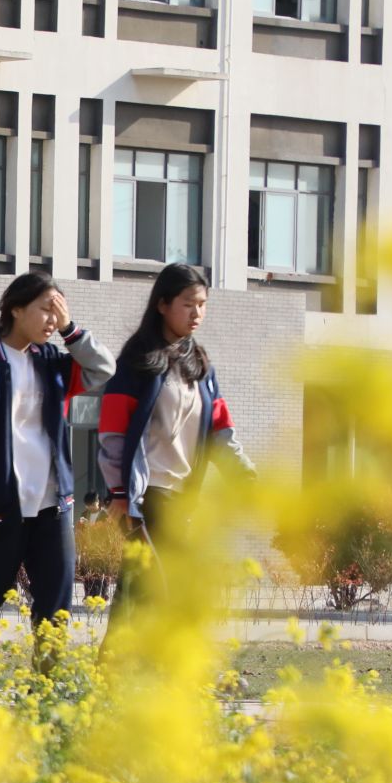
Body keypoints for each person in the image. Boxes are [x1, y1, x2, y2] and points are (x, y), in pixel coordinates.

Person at [0, 273, 115, 669]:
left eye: (59, 312)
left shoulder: (51, 361)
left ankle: (44, 684)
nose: (53, 320)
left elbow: (103, 368)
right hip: (1, 502)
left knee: (56, 599)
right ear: (16, 308)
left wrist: (70, 330)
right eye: (46, 309)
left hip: (53, 503)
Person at [97, 262, 256, 628]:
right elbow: (112, 434)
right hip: (148, 496)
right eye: (188, 304)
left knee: (144, 591)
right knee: (156, 588)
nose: (196, 313)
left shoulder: (201, 366)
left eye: (202, 304)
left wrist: (245, 475)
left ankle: (125, 660)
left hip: (184, 498)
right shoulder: (136, 362)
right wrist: (119, 493)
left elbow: (220, 431)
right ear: (162, 305)